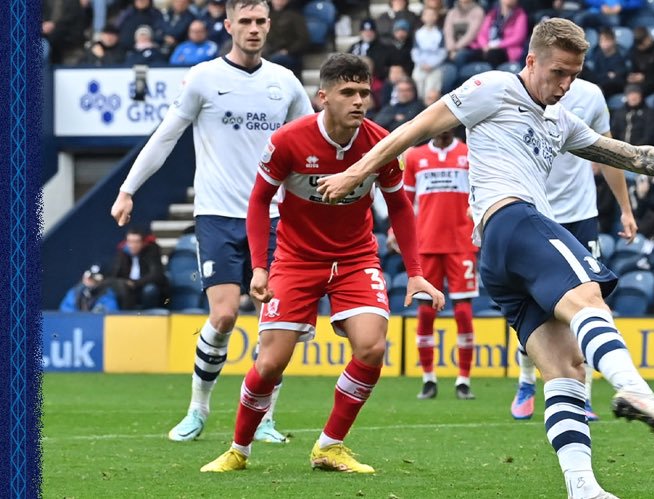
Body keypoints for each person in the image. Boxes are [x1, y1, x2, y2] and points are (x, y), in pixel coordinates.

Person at [316, 18, 654, 498]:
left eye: (574, 75)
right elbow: (415, 128)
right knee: (589, 298)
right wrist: (356, 172)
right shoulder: (492, 88)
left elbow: (634, 156)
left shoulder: (561, 120)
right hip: (513, 219)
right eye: (558, 72)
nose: (565, 85)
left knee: (566, 370)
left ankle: (583, 487)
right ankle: (635, 389)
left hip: (501, 260)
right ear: (532, 60)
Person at [199, 53, 443, 475]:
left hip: (355, 258)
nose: (358, 101)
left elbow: (400, 207)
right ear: (323, 97)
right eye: (348, 92)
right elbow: (258, 201)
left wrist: (416, 273)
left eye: (364, 92)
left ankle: (330, 446)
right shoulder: (289, 141)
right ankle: (239, 450)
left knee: (372, 346)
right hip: (296, 259)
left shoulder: (381, 143)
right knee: (270, 363)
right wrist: (259, 267)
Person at [109, 0, 311, 445]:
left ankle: (265, 418)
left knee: (275, 324)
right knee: (223, 316)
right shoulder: (203, 78)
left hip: (274, 218)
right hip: (218, 215)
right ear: (228, 25)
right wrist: (127, 189)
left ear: (269, 25)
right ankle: (197, 409)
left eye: (260, 21)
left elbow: (309, 147)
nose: (254, 29)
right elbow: (165, 136)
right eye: (245, 21)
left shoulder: (285, 82)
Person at [512, 75, 634, 422]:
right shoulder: (516, 91)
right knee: (535, 309)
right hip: (534, 212)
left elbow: (609, 154)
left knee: (590, 304)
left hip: (581, 216)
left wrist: (625, 209)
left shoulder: (591, 95)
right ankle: (526, 381)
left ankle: (585, 396)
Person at [399, 129, 479, 401]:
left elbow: (481, 190)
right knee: (425, 313)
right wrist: (395, 232)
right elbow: (405, 201)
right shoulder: (415, 156)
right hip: (426, 244)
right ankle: (428, 379)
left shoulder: (469, 152)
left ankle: (463, 380)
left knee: (464, 313)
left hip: (461, 243)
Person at [106, 227, 167, 310]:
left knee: (150, 289)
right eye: (130, 242)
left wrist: (135, 283)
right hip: (128, 289)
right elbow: (114, 274)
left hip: (144, 286)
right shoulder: (122, 253)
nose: (132, 245)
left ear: (143, 243)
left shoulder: (152, 251)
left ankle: (149, 314)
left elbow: (156, 275)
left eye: (136, 242)